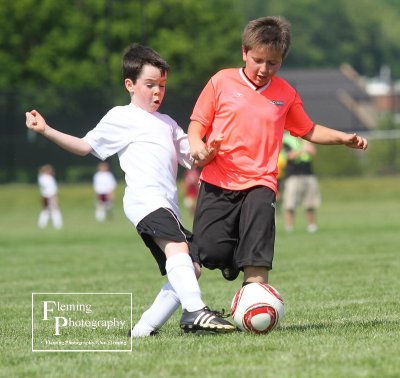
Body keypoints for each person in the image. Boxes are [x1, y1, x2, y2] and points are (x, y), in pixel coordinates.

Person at [26, 44, 235, 336]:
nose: (157, 92)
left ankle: (144, 329)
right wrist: (46, 130)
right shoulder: (121, 116)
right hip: (145, 201)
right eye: (149, 85)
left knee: (192, 265)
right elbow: (86, 146)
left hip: (166, 206)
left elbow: (196, 157)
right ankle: (195, 312)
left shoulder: (168, 123)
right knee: (178, 250)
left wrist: (213, 147)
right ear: (130, 84)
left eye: (162, 85)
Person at [187, 16, 368, 286]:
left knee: (257, 255)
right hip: (218, 180)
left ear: (281, 60)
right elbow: (197, 124)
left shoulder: (286, 93)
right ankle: (231, 256)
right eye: (258, 60)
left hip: (261, 181)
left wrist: (343, 138)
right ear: (244, 52)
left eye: (272, 63)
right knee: (210, 251)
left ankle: (255, 306)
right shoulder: (221, 81)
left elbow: (308, 130)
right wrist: (197, 146)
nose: (263, 69)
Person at [281, 132, 321, 232]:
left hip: (308, 174)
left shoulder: (306, 137)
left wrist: (306, 145)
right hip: (293, 176)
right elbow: (290, 156)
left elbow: (313, 152)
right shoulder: (286, 139)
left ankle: (312, 226)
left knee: (310, 203)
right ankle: (289, 227)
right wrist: (303, 149)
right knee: (290, 204)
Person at [37, 164, 63, 229]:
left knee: (46, 210)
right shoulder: (49, 178)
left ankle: (42, 224)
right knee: (55, 210)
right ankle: (58, 225)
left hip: (45, 196)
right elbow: (52, 189)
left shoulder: (41, 178)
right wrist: (55, 198)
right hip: (50, 196)